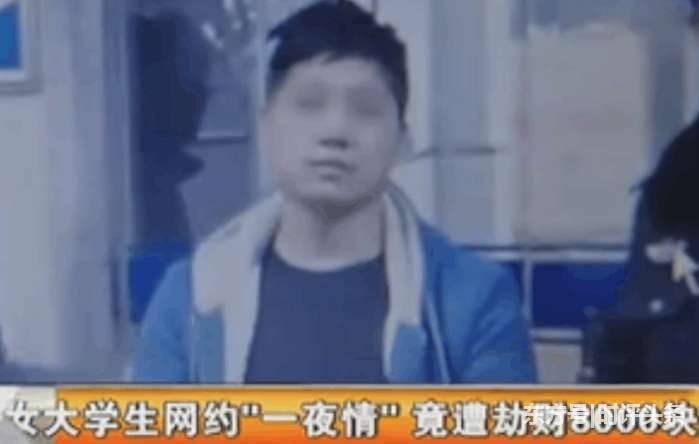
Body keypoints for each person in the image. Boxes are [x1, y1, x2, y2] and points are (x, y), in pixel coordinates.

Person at [132, 1, 537, 384]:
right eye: (310, 104)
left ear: (403, 140)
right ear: (266, 126)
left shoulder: (473, 300)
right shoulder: (191, 296)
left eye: (365, 110)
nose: (335, 131)